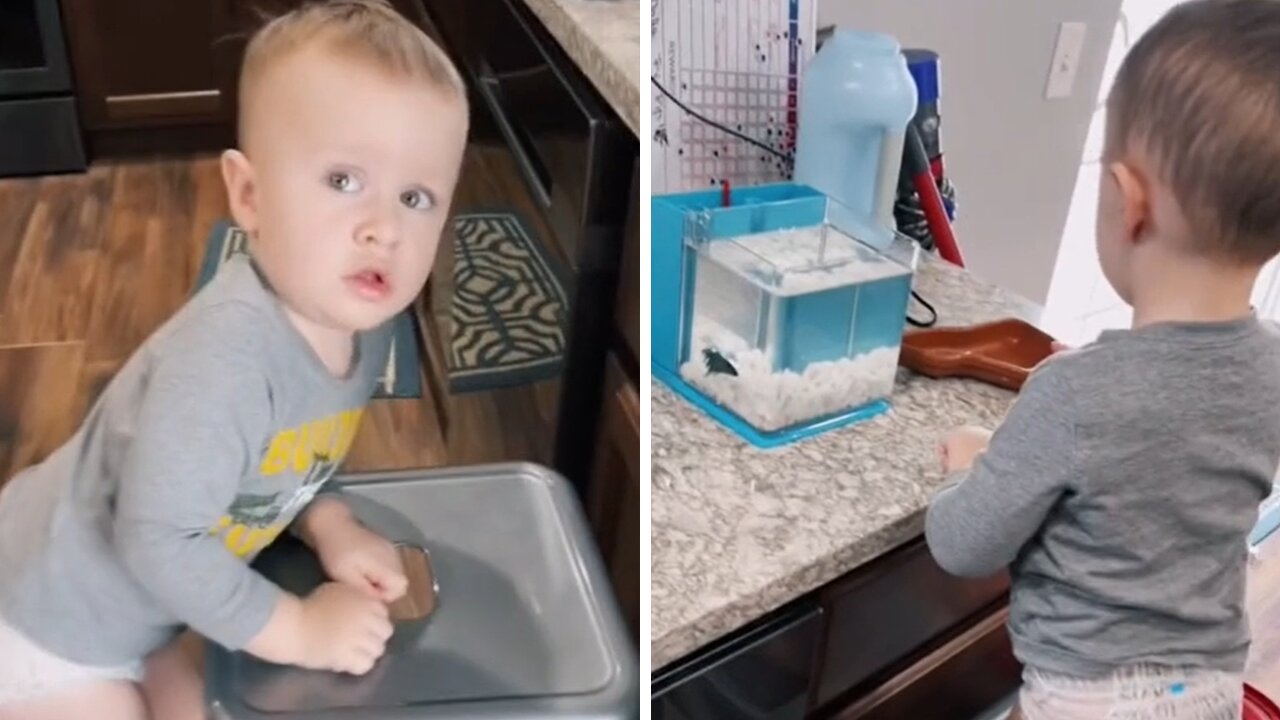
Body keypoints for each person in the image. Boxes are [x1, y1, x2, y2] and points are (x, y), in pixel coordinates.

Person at [0, 2, 470, 718]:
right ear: (249, 195)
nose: (384, 228)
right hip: (44, 619)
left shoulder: (360, 327)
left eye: (416, 196)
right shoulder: (223, 365)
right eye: (344, 181)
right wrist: (300, 630)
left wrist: (330, 524)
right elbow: (157, 541)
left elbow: (291, 459)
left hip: (141, 612)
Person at [924, 1, 1280, 718]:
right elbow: (1178, 457)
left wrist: (973, 465)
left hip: (1083, 701)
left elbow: (963, 546)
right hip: (1208, 691)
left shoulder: (1074, 396)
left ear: (1128, 202)